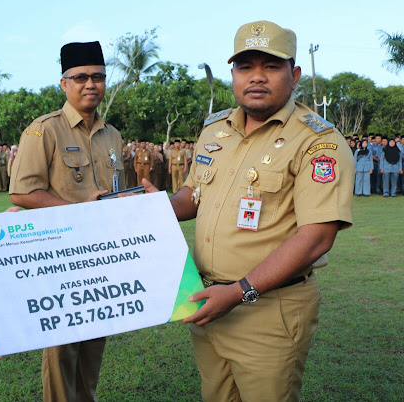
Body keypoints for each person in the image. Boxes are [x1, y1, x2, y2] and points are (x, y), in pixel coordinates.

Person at [141, 21, 353, 401]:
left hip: (267, 311)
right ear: (233, 74)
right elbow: (193, 194)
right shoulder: (215, 130)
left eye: (270, 67)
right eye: (245, 67)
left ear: (295, 75)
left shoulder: (318, 141)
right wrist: (154, 208)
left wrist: (240, 292)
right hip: (207, 302)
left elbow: (317, 237)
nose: (257, 77)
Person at [9, 41, 125, 402]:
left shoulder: (113, 136)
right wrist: (76, 212)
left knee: (94, 346)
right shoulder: (44, 130)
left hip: (103, 255)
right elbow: (23, 192)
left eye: (98, 77)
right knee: (62, 351)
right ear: (64, 83)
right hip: (61, 258)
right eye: (81, 77)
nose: (91, 84)